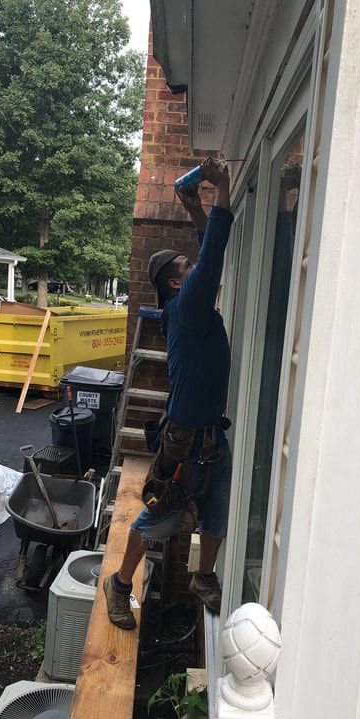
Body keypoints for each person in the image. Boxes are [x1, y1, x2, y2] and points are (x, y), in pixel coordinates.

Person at [104, 158, 234, 630]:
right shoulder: (188, 305)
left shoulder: (183, 309)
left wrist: (191, 205)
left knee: (217, 514)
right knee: (157, 523)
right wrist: (219, 188)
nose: (195, 264)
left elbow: (206, 245)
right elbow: (215, 248)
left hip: (211, 438)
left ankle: (204, 578)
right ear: (177, 282)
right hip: (182, 444)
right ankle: (119, 585)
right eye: (186, 267)